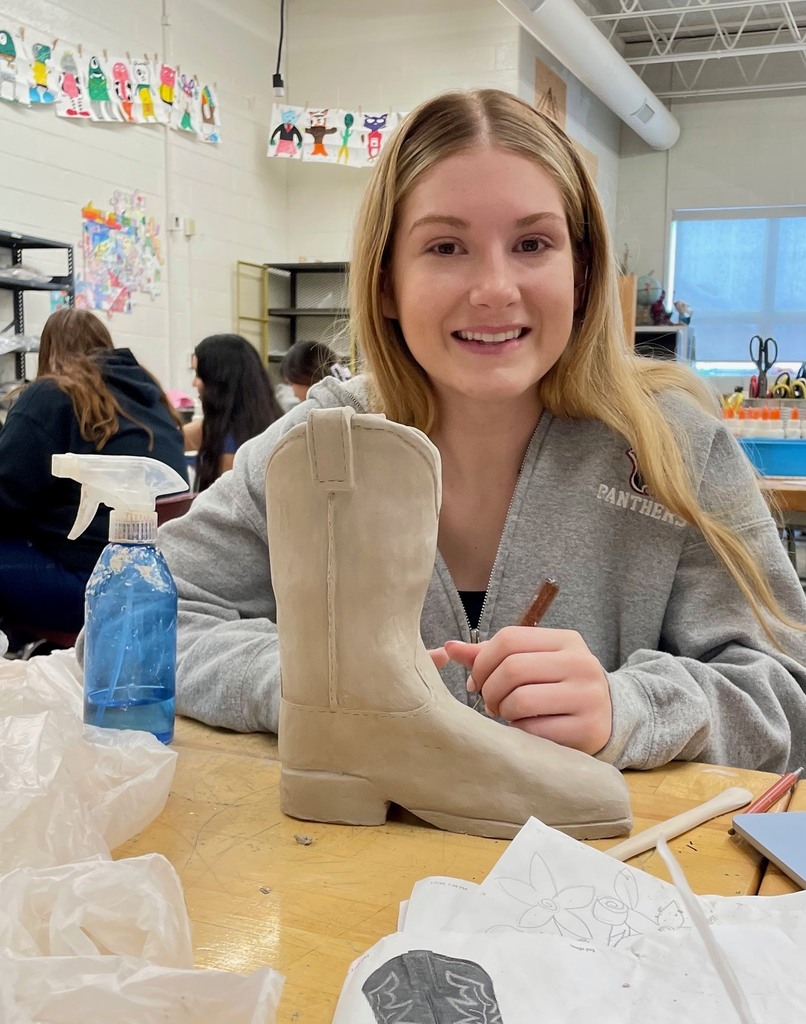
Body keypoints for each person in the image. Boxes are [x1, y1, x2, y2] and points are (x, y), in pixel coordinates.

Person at [156, 88, 806, 773]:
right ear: (386, 282)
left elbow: (788, 693)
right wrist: (313, 685)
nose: (495, 288)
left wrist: (630, 709)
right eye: (446, 247)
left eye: (532, 244)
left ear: (582, 271)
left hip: (600, 844)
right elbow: (139, 619)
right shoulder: (317, 449)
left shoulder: (675, 448)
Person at [0, 307, 187, 636]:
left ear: (49, 353)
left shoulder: (51, 395)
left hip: (93, 582)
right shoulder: (152, 397)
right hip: (157, 581)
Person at [183, 334, 283, 491]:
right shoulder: (270, 420)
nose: (194, 383)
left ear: (219, 382)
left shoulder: (231, 448)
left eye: (198, 375)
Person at [279, 340, 352, 403]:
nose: (294, 394)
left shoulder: (306, 412)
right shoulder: (348, 401)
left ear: (305, 377)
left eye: (291, 384)